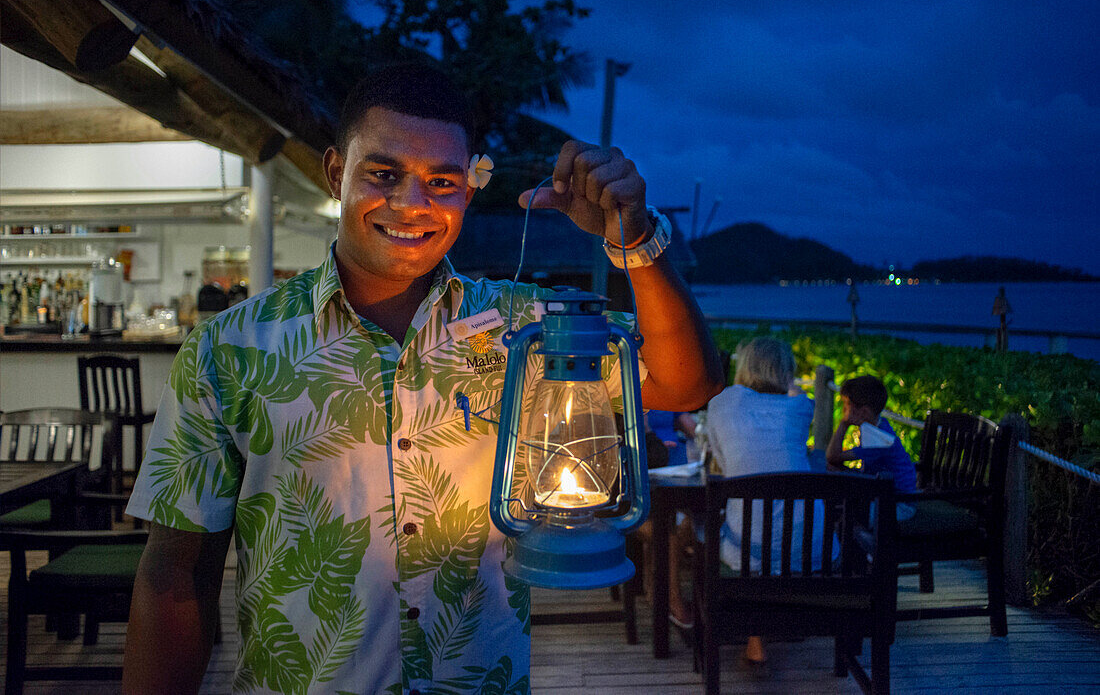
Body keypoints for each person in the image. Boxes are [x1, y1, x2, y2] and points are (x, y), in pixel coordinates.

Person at [121, 63, 724, 695]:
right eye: (383, 173)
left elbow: (687, 385)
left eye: (441, 181)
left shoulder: (525, 329)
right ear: (335, 173)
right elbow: (175, 576)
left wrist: (634, 240)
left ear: (469, 189)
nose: (413, 203)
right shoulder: (231, 346)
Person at [702, 336, 822, 675]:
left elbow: (722, 468)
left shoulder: (722, 403)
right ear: (787, 370)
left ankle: (754, 639)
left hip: (747, 553)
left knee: (738, 532)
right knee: (779, 531)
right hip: (809, 551)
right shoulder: (802, 407)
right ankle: (775, 626)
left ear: (744, 367)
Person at [825, 374, 917, 516]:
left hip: (898, 504)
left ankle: (853, 537)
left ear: (864, 411)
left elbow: (832, 456)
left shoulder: (879, 439)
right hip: (883, 494)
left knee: (838, 508)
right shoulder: (877, 427)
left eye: (846, 405)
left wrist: (844, 424)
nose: (844, 410)